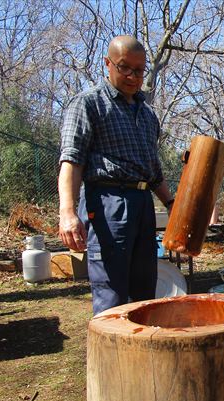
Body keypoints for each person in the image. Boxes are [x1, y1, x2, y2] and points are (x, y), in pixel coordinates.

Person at [57, 35, 174, 315]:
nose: (133, 76)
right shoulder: (88, 104)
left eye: (139, 70)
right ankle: (110, 358)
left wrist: (172, 205)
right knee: (112, 294)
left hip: (143, 204)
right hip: (108, 203)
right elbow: (71, 160)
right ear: (108, 64)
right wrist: (67, 212)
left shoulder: (147, 115)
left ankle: (143, 355)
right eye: (125, 68)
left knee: (145, 291)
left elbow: (153, 170)